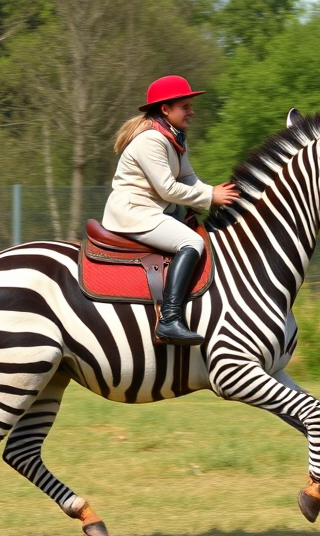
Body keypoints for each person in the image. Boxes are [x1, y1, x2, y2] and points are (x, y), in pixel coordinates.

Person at [102, 75, 239, 346]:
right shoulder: (151, 139)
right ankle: (169, 319)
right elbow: (167, 189)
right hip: (134, 214)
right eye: (185, 106)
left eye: (190, 105)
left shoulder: (174, 137)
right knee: (192, 241)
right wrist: (211, 196)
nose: (192, 111)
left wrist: (221, 193)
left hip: (151, 212)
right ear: (165, 109)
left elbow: (188, 179)